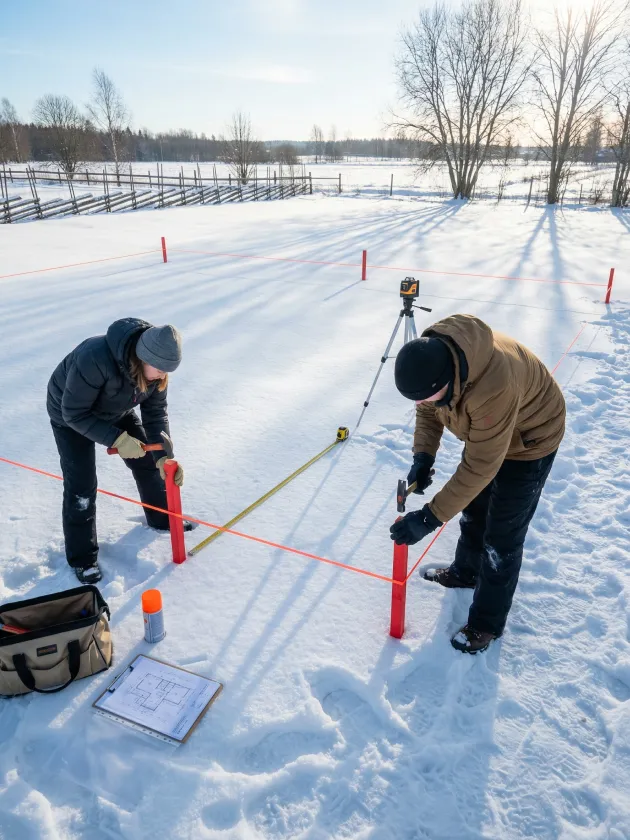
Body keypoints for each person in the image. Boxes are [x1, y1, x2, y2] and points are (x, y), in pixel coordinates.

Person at [390, 314, 565, 654]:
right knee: (474, 509)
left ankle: (486, 624)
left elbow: (481, 466)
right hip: (491, 430)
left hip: (531, 439)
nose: (425, 403)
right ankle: (466, 572)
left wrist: (429, 517)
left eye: (430, 395)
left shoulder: (492, 386)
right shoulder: (439, 361)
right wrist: (423, 457)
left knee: (502, 538)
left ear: (449, 380)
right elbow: (428, 407)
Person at [47, 317, 189, 584]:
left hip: (115, 407)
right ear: (142, 357)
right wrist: (116, 439)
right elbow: (74, 413)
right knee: (82, 485)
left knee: (147, 462)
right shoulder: (94, 358)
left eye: (167, 371)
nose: (162, 375)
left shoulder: (156, 373)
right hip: (70, 414)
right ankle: (82, 559)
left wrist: (163, 458)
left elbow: (155, 414)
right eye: (158, 368)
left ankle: (160, 519)